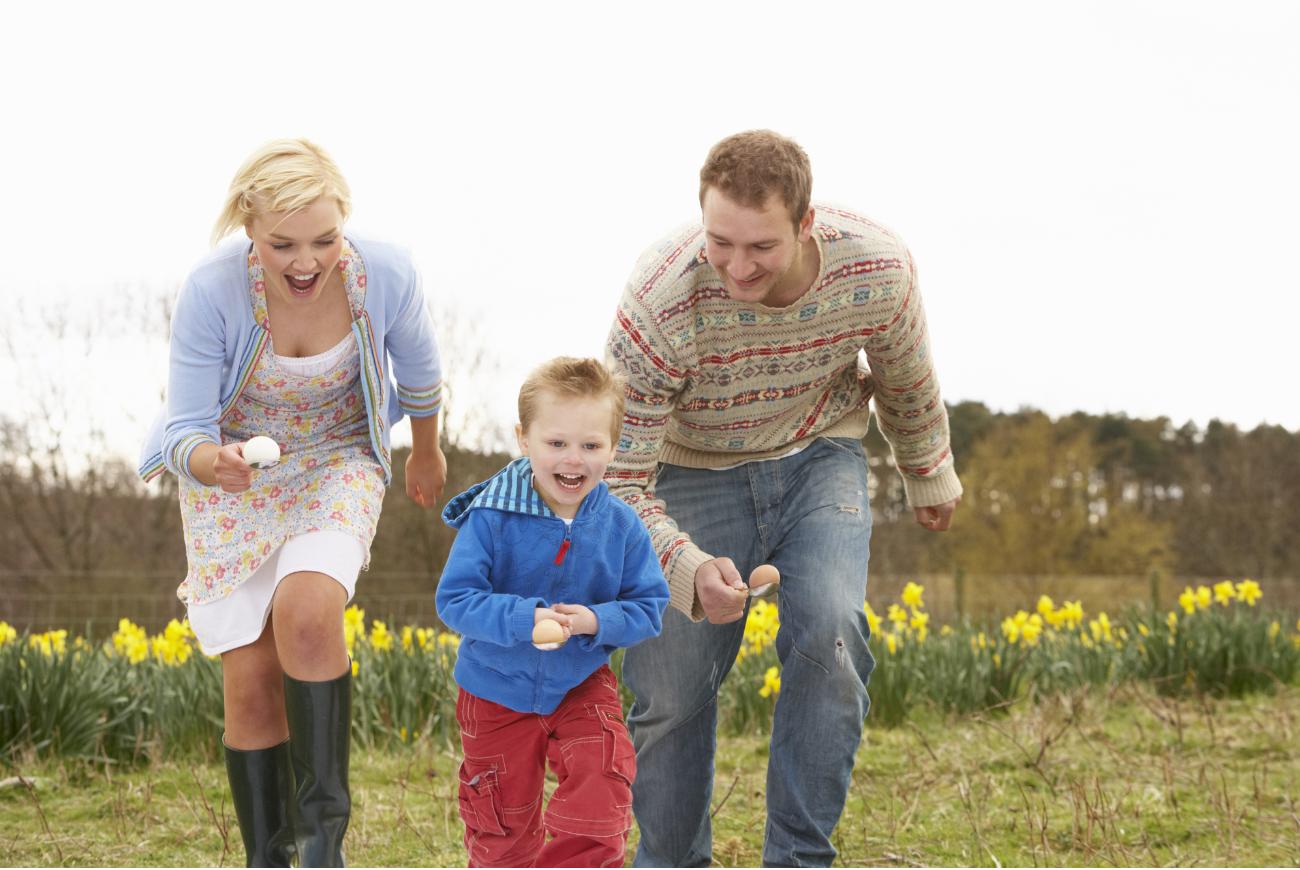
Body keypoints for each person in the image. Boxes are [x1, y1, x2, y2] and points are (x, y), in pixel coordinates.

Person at [605, 130, 963, 867]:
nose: (736, 266)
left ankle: (797, 859)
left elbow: (903, 374)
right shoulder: (659, 300)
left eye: (760, 247)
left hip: (818, 453)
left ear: (806, 224)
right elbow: (619, 482)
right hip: (689, 468)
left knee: (832, 633)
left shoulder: (876, 267)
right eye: (719, 241)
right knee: (671, 690)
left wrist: (926, 467)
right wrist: (683, 565)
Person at [139, 138, 447, 867]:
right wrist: (213, 462)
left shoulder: (387, 273)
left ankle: (321, 851)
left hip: (338, 457)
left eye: (325, 239)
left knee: (307, 613)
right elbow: (183, 424)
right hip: (231, 471)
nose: (306, 261)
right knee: (249, 685)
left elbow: (423, 372)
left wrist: (427, 450)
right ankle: (267, 858)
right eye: (282, 244)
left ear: (345, 223)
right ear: (249, 227)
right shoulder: (212, 289)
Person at [435, 357, 669, 868]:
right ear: (524, 439)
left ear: (614, 444)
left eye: (591, 445)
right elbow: (455, 600)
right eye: (556, 443)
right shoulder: (492, 519)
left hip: (581, 681)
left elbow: (649, 606)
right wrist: (526, 619)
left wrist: (593, 622)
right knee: (502, 827)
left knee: (603, 778)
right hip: (494, 689)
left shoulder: (622, 526)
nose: (574, 460)